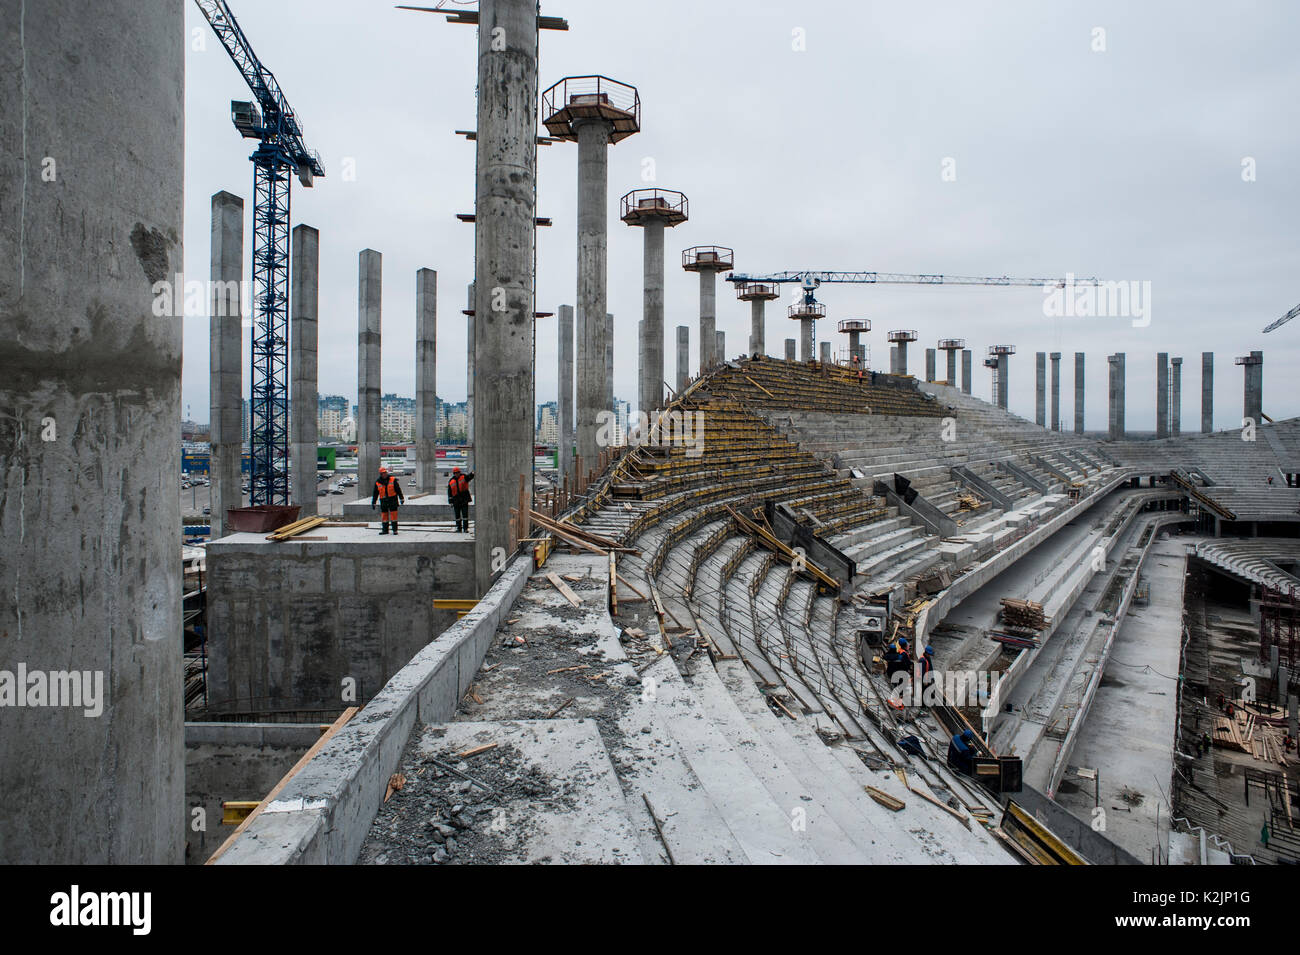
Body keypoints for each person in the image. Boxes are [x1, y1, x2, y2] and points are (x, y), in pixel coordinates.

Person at [371, 466, 405, 535]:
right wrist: (373, 502)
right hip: (384, 501)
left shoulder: (392, 480)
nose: (384, 474)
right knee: (384, 517)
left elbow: (398, 490)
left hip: (393, 500)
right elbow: (375, 493)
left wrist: (401, 498)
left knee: (394, 516)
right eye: (383, 473)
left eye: (385, 473)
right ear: (380, 474)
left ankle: (395, 530)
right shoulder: (378, 482)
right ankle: (385, 530)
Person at [448, 466, 475, 533]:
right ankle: (459, 528)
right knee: (457, 516)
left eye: (458, 472)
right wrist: (450, 501)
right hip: (456, 500)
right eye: (455, 473)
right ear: (454, 473)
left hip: (464, 499)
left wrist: (472, 473)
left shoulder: (464, 477)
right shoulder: (451, 481)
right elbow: (449, 492)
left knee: (465, 515)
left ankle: (465, 528)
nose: (457, 474)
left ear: (460, 472)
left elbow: (469, 477)